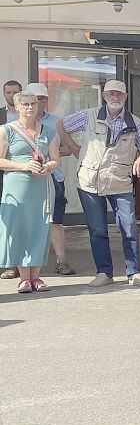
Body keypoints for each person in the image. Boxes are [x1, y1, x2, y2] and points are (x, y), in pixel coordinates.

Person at [57, 80, 140, 287]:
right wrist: (73, 147)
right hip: (89, 181)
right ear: (104, 96)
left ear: (125, 97)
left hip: (119, 181)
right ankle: (104, 273)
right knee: (97, 230)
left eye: (119, 94)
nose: (114, 98)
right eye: (110, 94)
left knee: (128, 227)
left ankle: (134, 273)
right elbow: (61, 124)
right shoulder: (88, 115)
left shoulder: (134, 123)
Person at [0, 90, 60, 293]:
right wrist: (24, 166)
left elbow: (55, 159)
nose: (29, 108)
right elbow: (0, 160)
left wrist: (47, 167)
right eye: (25, 104)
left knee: (39, 228)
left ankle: (37, 277)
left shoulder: (48, 131)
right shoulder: (6, 130)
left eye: (33, 104)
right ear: (16, 107)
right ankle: (24, 277)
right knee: (19, 229)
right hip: (16, 186)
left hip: (41, 186)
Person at [24, 83, 75, 275]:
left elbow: (70, 147)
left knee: (56, 221)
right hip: (26, 178)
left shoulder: (56, 121)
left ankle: (61, 261)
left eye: (42, 99)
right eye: (34, 99)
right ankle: (20, 265)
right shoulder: (14, 124)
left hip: (54, 177)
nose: (38, 103)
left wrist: (53, 155)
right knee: (25, 221)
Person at [0, 79, 23, 280]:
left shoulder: (29, 116)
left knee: (17, 221)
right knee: (4, 221)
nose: (11, 95)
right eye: (8, 92)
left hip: (20, 175)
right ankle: (7, 262)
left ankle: (15, 265)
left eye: (16, 92)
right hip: (2, 172)